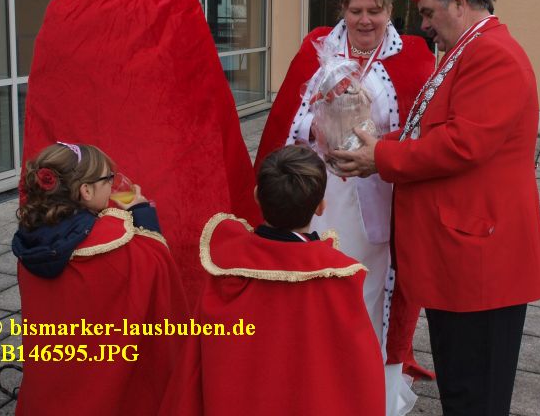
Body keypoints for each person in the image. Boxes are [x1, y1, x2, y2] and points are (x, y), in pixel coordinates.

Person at [332, 0, 540, 415]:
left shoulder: (491, 55)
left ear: (459, 4)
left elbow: (460, 145)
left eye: (428, 12)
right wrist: (382, 146)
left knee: (475, 393)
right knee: (462, 384)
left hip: (482, 260)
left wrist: (379, 157)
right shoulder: (468, 50)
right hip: (465, 254)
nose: (424, 24)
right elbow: (430, 132)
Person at [22, 0, 260, 301]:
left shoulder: (64, 11)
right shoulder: (178, 9)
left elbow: (44, 111)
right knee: (169, 297)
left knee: (89, 301)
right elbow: (213, 112)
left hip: (80, 199)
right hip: (168, 200)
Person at [255, 0, 434, 413]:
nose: (365, 20)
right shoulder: (317, 49)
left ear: (391, 11)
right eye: (356, 10)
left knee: (368, 288)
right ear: (342, 10)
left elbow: (421, 130)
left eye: (375, 10)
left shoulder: (412, 55)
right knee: (318, 284)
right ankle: (316, 380)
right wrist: (319, 125)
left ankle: (367, 386)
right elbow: (287, 121)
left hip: (381, 195)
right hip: (321, 196)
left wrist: (377, 146)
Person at [163, 145, 385, 416]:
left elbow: (196, 364)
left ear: (257, 195)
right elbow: (361, 374)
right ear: (321, 206)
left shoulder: (226, 270)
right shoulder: (338, 279)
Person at [13, 142, 190, 415]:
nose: (113, 186)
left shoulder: (29, 240)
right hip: (101, 392)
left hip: (51, 383)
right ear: (85, 191)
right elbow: (158, 267)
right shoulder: (111, 247)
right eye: (108, 179)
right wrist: (142, 212)